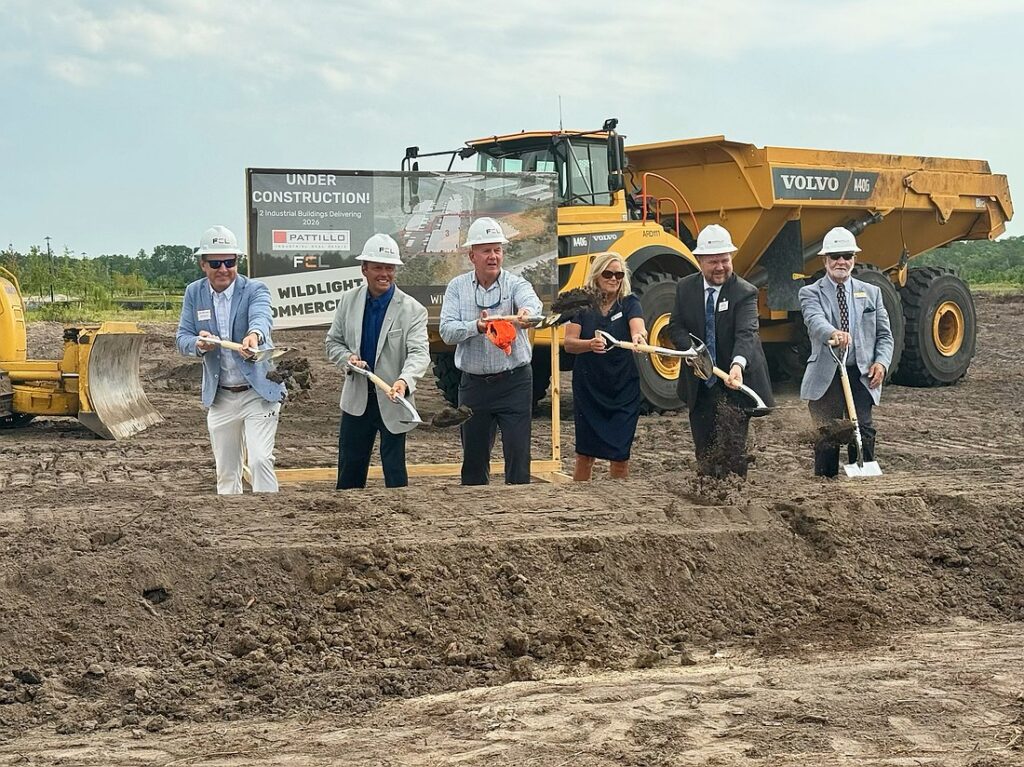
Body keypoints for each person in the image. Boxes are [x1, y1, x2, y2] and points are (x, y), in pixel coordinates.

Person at [176, 225, 285, 494]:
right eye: (215, 262)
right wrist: (199, 345)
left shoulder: (254, 289)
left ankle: (269, 520)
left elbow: (262, 317)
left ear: (237, 261)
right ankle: (232, 528)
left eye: (230, 261)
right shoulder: (194, 293)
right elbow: (182, 338)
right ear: (203, 264)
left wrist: (254, 336)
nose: (223, 268)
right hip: (221, 396)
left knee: (260, 460)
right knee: (226, 472)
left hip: (257, 393)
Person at [439, 216, 543, 485]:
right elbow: (447, 332)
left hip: (515, 382)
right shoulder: (457, 288)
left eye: (497, 250)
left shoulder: (515, 284)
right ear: (471, 255)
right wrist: (476, 326)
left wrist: (525, 314)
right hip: (474, 387)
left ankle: (518, 513)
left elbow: (534, 307)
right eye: (486, 250)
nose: (493, 256)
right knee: (473, 464)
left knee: (519, 458)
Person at [668, 224, 774, 478]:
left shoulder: (744, 292)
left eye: (725, 260)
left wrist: (737, 365)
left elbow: (746, 333)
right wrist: (692, 352)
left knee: (733, 448)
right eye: (713, 261)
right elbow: (676, 327)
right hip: (700, 382)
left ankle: (735, 494)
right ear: (700, 261)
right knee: (704, 447)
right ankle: (706, 494)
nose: (720, 267)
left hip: (734, 382)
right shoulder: (685, 288)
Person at [325, 233, 430, 489]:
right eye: (378, 267)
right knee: (349, 471)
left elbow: (419, 353)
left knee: (395, 474)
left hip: (393, 400)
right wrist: (347, 359)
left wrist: (404, 381)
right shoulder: (349, 301)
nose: (384, 274)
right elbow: (333, 342)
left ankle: (400, 523)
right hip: (357, 400)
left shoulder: (413, 310)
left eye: (389, 268)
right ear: (364, 269)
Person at [799, 226, 894, 477]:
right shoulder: (810, 292)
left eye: (847, 255)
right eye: (835, 256)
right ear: (825, 260)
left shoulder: (872, 293)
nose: (841, 261)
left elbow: (885, 336)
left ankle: (863, 479)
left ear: (854, 259)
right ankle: (826, 483)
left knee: (862, 427)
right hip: (827, 371)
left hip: (860, 372)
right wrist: (834, 333)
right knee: (827, 431)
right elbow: (814, 320)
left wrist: (881, 363)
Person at [563, 252, 647, 480]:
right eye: (608, 273)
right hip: (589, 385)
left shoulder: (630, 302)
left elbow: (637, 327)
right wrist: (590, 344)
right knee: (585, 453)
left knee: (620, 454)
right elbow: (569, 344)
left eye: (619, 274)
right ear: (597, 275)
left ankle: (619, 501)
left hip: (622, 385)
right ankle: (581, 499)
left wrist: (639, 337)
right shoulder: (581, 303)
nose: (614, 279)